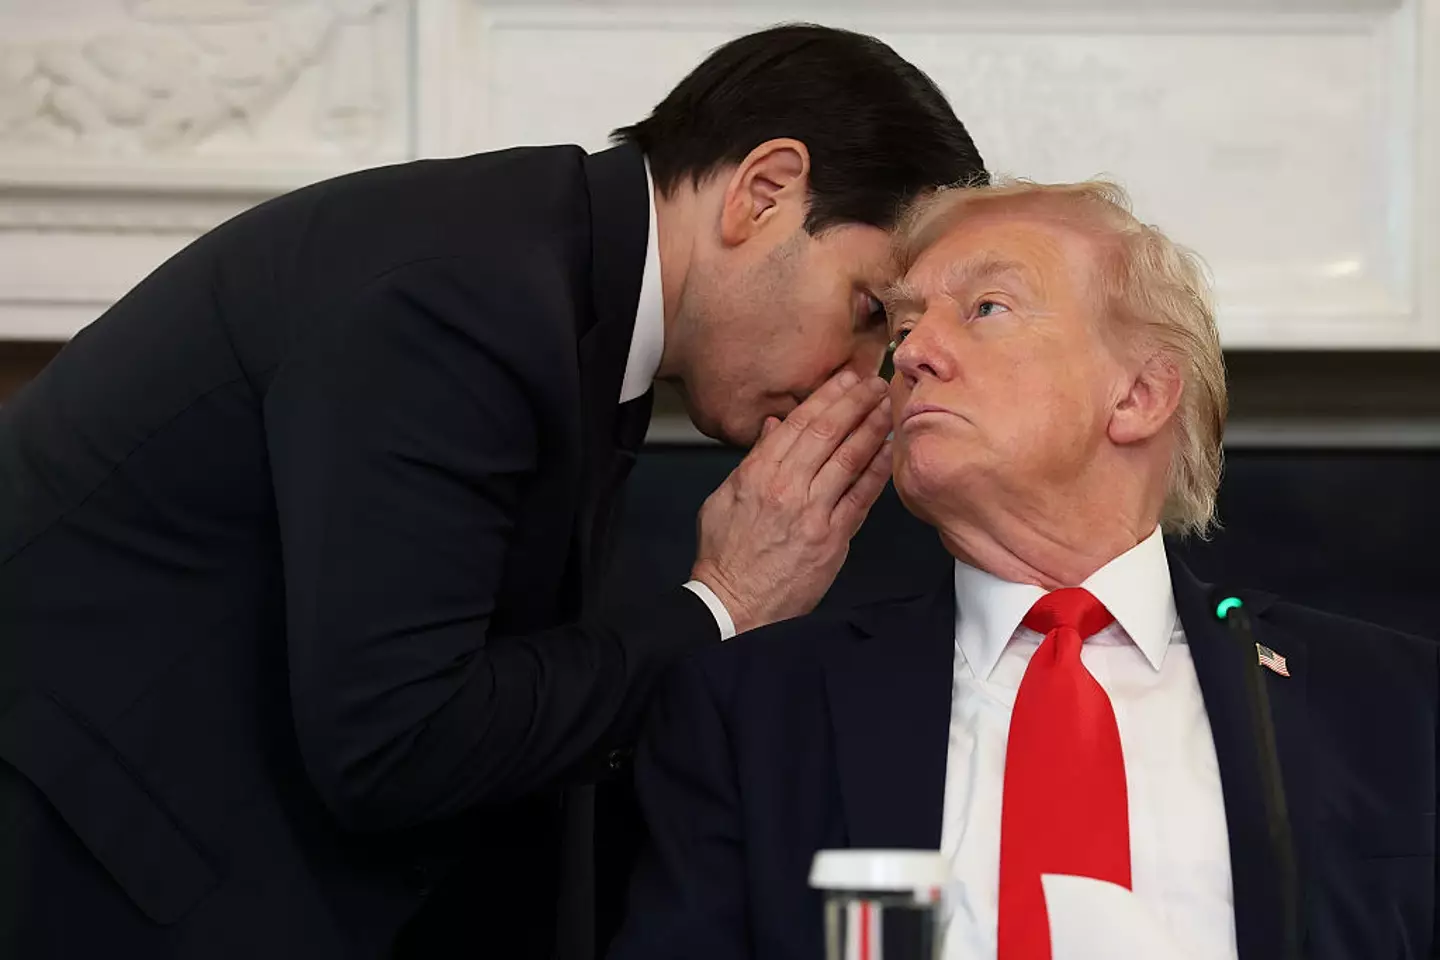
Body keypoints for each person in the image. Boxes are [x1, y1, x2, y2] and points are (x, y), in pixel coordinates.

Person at [0, 25, 988, 960]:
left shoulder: (559, 277)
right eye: (867, 314)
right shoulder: (465, 297)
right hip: (87, 882)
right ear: (764, 191)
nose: (858, 379)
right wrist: (724, 603)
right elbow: (399, 742)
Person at [611, 180, 1437, 960]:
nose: (911, 355)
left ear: (1139, 396)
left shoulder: (1394, 700)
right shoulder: (752, 709)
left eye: (986, 309)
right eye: (902, 326)